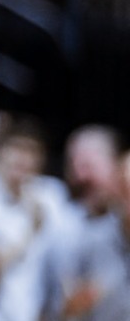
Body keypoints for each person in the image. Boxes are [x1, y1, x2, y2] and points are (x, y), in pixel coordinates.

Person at [0, 122, 68, 321]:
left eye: (32, 151)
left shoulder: (51, 195)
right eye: (16, 148)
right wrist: (30, 232)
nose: (24, 159)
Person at [39, 126, 123, 317]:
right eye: (74, 166)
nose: (81, 176)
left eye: (88, 166)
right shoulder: (60, 224)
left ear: (115, 165)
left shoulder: (123, 223)